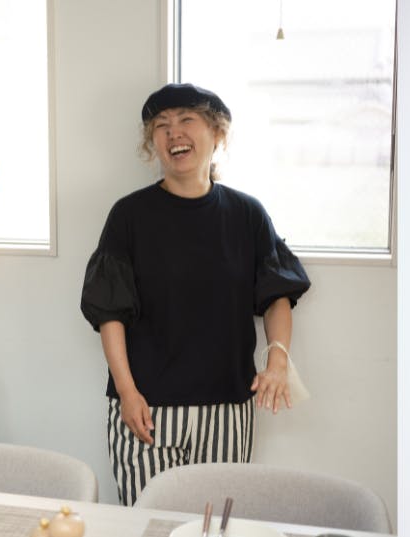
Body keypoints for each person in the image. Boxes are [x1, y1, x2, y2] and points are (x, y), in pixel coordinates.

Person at [81, 84, 311, 505]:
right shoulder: (129, 215)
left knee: (215, 526)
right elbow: (109, 312)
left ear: (217, 133)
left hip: (227, 408)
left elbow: (277, 293)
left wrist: (278, 360)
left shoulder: (247, 214)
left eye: (187, 120)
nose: (174, 133)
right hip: (146, 408)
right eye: (161, 125)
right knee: (148, 525)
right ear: (152, 142)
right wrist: (127, 392)